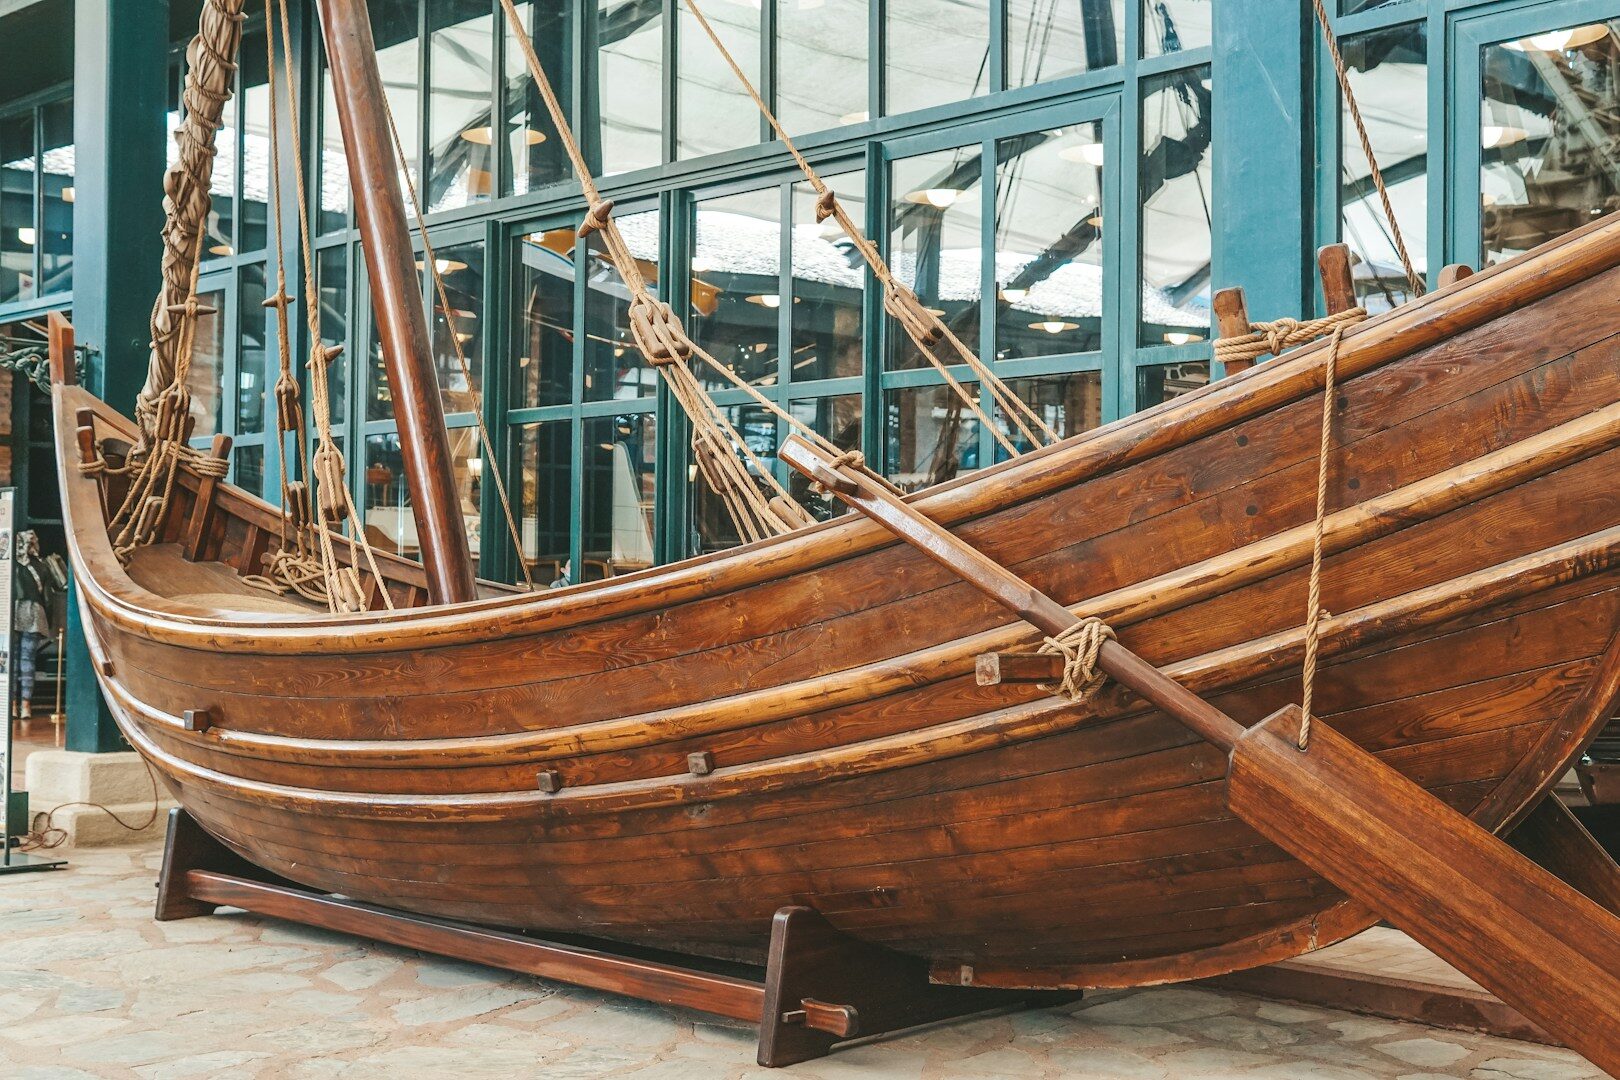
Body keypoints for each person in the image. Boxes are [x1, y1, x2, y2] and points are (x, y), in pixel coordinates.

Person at [14, 530, 54, 721]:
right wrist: (50, 621)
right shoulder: (42, 566)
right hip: (34, 613)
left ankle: (11, 704)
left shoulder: (9, 565)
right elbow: (48, 598)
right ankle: (26, 706)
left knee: (10, 660)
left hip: (11, 612)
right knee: (27, 660)